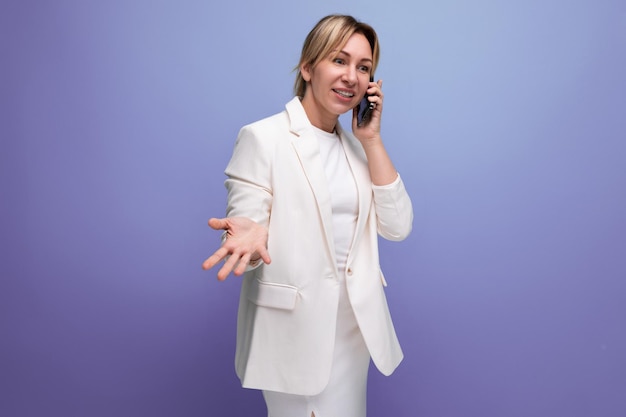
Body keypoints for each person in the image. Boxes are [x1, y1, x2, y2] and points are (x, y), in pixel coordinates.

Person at [202, 14, 413, 417]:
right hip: (296, 333)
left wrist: (372, 140)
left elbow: (398, 226)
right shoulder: (263, 137)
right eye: (338, 60)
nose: (351, 76)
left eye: (363, 67)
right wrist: (247, 236)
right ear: (307, 67)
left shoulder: (356, 149)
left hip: (353, 331)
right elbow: (248, 212)